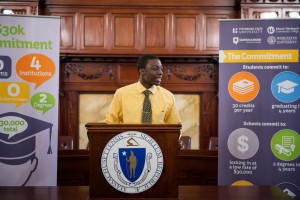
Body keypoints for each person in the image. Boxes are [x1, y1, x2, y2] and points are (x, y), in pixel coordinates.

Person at [104, 54, 181, 124]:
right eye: (155, 68)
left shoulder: (168, 96)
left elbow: (176, 128)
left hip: (158, 139)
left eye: (161, 69)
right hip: (130, 139)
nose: (161, 72)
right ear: (142, 71)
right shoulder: (121, 94)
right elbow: (110, 123)